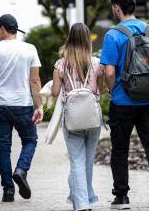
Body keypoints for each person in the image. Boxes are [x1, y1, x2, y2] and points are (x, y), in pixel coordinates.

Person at [100, 0, 149, 210]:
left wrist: (113, 92)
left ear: (117, 8)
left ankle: (121, 197)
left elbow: (109, 72)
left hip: (123, 101)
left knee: (120, 149)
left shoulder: (113, 35)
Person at [0, 14, 43, 202]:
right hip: (22, 104)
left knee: (3, 148)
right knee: (30, 140)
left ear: (3, 29)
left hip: (0, 105)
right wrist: (38, 106)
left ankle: (8, 190)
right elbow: (35, 80)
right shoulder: (30, 49)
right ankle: (21, 170)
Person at [51, 23, 104, 211]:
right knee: (88, 160)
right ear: (88, 40)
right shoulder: (97, 63)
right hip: (92, 118)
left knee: (77, 161)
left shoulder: (61, 64)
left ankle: (81, 203)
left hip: (72, 119)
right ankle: (86, 198)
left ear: (69, 39)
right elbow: (100, 90)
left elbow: (55, 92)